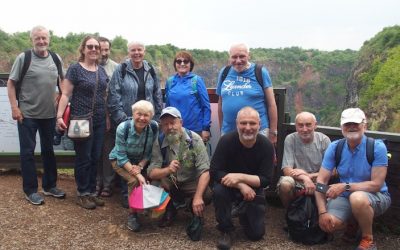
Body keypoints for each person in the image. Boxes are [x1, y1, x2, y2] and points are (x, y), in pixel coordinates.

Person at [315, 108, 391, 250]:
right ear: (341, 127)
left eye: (355, 124)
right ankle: (353, 223)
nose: (351, 127)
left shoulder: (377, 147)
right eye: (347, 124)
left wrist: (345, 186)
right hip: (344, 197)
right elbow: (320, 183)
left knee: (357, 199)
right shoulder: (335, 147)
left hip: (377, 196)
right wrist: (322, 212)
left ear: (365, 125)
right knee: (329, 224)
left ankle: (368, 240)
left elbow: (376, 185)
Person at [7, 25, 65, 205]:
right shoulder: (24, 58)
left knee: (49, 151)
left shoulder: (56, 58)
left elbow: (62, 81)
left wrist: (61, 96)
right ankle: (30, 190)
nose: (41, 41)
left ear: (49, 39)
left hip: (49, 114)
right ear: (32, 40)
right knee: (27, 153)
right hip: (27, 115)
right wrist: (14, 108)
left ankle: (49, 186)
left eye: (44, 38)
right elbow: (10, 83)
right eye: (37, 38)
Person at [210, 106, 275, 249]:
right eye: (243, 123)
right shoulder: (226, 141)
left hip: (254, 189)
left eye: (252, 123)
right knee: (219, 191)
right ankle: (226, 229)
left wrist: (239, 177)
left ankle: (244, 214)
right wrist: (240, 184)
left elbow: (265, 180)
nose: (247, 127)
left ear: (259, 124)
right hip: (228, 186)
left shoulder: (266, 146)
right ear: (236, 124)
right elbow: (214, 171)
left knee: (256, 235)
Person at [108, 41, 162, 207]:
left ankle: (141, 193)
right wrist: (123, 120)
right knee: (128, 152)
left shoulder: (150, 69)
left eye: (139, 50)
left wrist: (157, 117)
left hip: (147, 119)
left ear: (144, 51)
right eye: (133, 50)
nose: (136, 53)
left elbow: (157, 93)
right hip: (128, 119)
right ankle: (127, 193)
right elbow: (114, 94)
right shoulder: (122, 69)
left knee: (144, 151)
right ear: (128, 52)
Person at [56, 36, 108, 209]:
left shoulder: (101, 70)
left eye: (96, 47)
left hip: (99, 120)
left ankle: (92, 192)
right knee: (83, 158)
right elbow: (65, 94)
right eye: (90, 46)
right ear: (83, 49)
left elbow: (104, 95)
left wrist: (107, 117)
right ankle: (82, 193)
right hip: (81, 119)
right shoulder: (75, 69)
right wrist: (59, 116)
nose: (93, 49)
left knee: (95, 157)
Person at [147, 107, 212, 240]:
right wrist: (168, 170)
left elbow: (205, 171)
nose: (169, 127)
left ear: (181, 122)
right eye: (165, 124)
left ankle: (193, 207)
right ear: (161, 126)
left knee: (207, 194)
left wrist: (198, 197)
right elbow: (151, 173)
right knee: (154, 185)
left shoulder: (195, 139)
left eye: (173, 122)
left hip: (190, 181)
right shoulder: (159, 141)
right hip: (171, 181)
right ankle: (170, 209)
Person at [109, 100, 157, 232]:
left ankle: (147, 207)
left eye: (146, 115)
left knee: (152, 176)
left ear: (151, 117)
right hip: (119, 160)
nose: (142, 118)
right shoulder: (123, 128)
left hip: (140, 161)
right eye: (138, 114)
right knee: (134, 180)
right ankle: (132, 215)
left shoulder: (153, 127)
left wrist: (140, 167)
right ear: (133, 114)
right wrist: (138, 174)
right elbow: (121, 156)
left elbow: (149, 153)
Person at [217, 43, 278, 143]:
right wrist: (221, 130)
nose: (238, 60)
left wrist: (273, 132)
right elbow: (220, 103)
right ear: (229, 58)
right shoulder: (224, 72)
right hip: (229, 131)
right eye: (234, 57)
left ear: (249, 55)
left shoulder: (260, 71)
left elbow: (272, 104)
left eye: (242, 56)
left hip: (257, 132)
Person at [278, 111, 331, 208]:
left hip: (319, 182)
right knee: (285, 184)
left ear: (315, 125)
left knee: (331, 192)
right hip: (297, 181)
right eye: (300, 125)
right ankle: (291, 213)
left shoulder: (324, 140)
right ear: (296, 127)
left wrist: (310, 176)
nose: (304, 129)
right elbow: (286, 170)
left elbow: (333, 171)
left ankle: (320, 216)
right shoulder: (290, 139)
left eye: (308, 125)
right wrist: (305, 178)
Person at [164, 51, 211, 143]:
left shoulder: (196, 81)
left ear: (190, 64)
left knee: (195, 156)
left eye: (186, 61)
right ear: (175, 64)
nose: (182, 64)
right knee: (176, 157)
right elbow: (168, 107)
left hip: (195, 130)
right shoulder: (170, 82)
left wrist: (206, 128)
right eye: (179, 61)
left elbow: (206, 106)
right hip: (174, 129)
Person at [96, 36, 118, 198]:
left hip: (110, 116)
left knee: (108, 151)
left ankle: (108, 184)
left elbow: (116, 94)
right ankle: (96, 181)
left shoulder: (116, 68)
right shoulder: (87, 65)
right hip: (91, 116)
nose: (103, 53)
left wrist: (110, 116)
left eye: (106, 49)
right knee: (94, 150)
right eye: (100, 49)